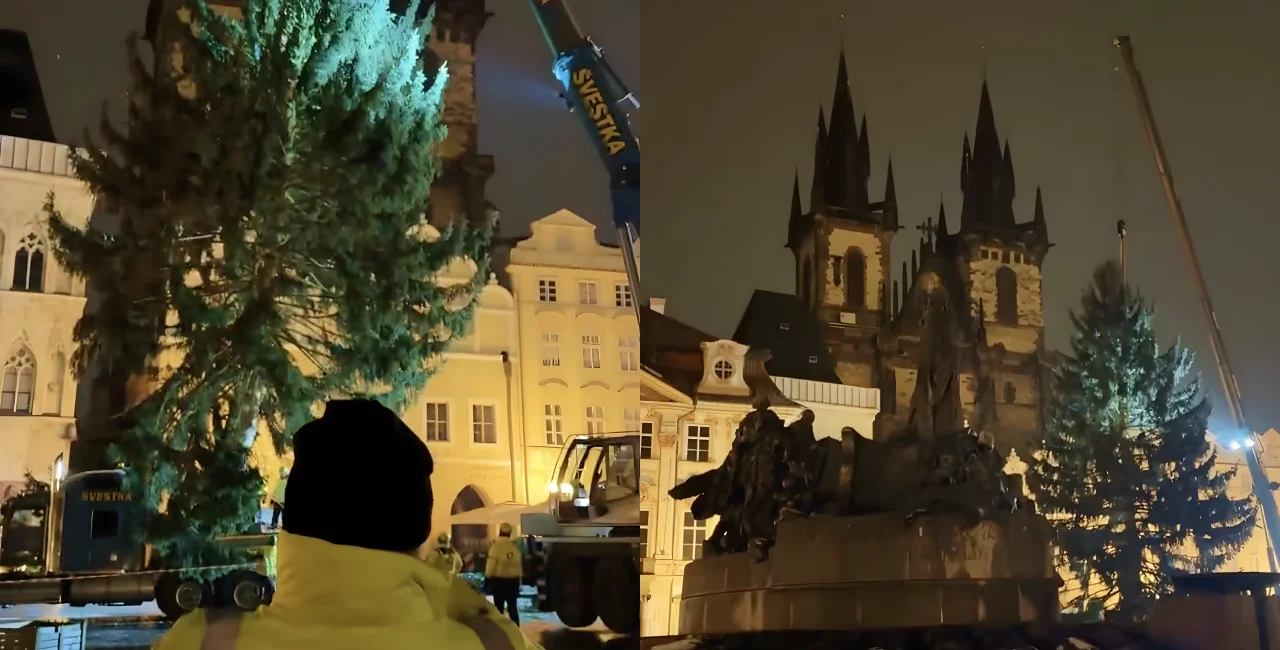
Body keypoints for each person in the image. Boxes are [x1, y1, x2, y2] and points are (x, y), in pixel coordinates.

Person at [153, 399, 535, 650]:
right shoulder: (494, 643)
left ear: (293, 523)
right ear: (417, 527)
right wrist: (438, 584)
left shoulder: (202, 643)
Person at [485, 522, 524, 626]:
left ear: (500, 532)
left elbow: (491, 564)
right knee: (512, 607)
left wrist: (488, 576)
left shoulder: (496, 547)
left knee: (498, 609)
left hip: (499, 581)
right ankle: (516, 628)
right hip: (513, 581)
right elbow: (519, 565)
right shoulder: (514, 548)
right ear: (509, 533)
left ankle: (500, 628)